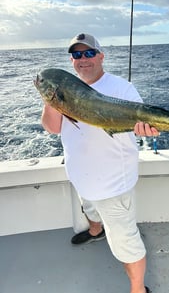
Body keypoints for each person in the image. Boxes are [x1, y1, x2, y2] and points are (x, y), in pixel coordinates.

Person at [41, 33, 159, 293]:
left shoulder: (121, 88)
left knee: (126, 243)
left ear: (101, 56)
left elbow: (142, 120)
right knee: (90, 210)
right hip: (80, 176)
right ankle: (96, 230)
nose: (83, 59)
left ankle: (138, 289)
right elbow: (52, 128)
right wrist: (51, 100)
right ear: (72, 60)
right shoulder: (65, 89)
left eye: (89, 53)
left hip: (112, 185)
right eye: (77, 54)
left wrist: (145, 128)